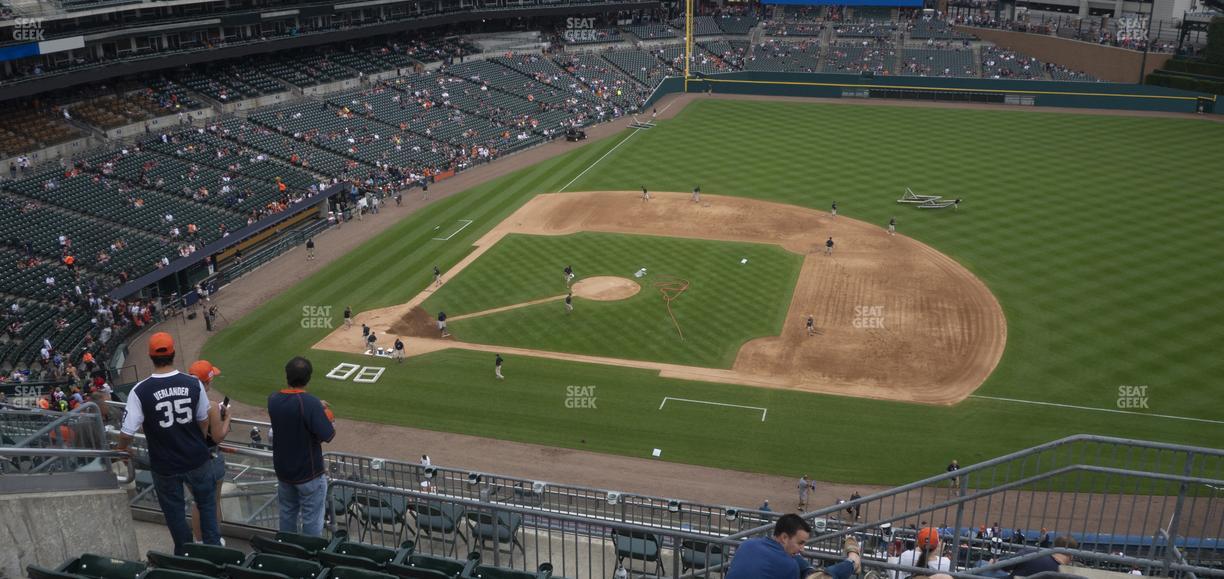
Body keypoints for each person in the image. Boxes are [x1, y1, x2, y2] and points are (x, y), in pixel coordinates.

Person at [116, 333, 225, 554]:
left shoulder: (140, 390)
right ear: (173, 353)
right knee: (206, 506)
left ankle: (184, 557)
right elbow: (204, 421)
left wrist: (121, 449)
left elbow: (127, 432)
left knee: (175, 514)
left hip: (164, 464)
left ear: (150, 356)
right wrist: (195, 442)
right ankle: (214, 555)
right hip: (197, 459)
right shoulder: (193, 383)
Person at [268, 357, 336, 536]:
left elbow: (292, 408)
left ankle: (289, 553)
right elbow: (328, 434)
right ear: (308, 378)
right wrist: (322, 413)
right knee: (312, 520)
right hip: (308, 473)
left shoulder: (273, 400)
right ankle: (310, 558)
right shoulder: (309, 403)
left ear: (287, 376)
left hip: (283, 472)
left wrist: (314, 406)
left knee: (287, 515)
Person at [726, 514, 864, 579]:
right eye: (800, 543)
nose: (802, 549)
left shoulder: (747, 545)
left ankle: (852, 561)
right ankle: (852, 560)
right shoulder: (788, 565)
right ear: (784, 537)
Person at [188, 360, 230, 543]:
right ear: (206, 381)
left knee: (197, 501)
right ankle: (214, 541)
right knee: (213, 501)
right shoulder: (211, 405)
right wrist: (227, 417)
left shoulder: (183, 400)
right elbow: (219, 435)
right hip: (209, 458)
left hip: (188, 458)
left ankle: (199, 541)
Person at [1006, 535, 1078, 577]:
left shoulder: (1030, 553)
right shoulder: (1068, 575)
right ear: (1071, 555)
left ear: (1053, 547)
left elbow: (1000, 564)